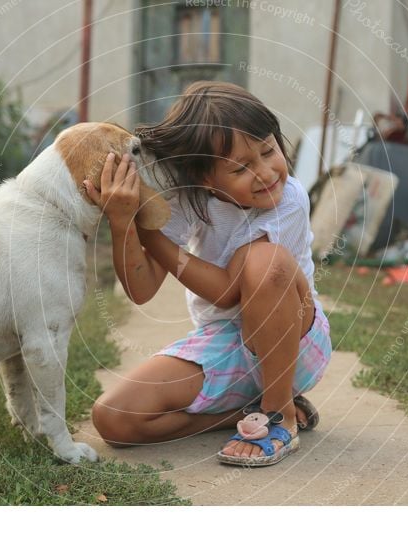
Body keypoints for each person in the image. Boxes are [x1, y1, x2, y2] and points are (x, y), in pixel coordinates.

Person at [85, 81, 331, 466]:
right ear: (206, 179)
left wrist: (148, 229)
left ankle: (279, 413)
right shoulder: (190, 201)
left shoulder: (289, 200)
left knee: (267, 262)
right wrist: (123, 223)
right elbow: (141, 288)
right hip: (225, 344)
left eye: (269, 151)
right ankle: (239, 414)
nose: (266, 172)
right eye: (241, 168)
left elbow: (228, 292)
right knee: (114, 419)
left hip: (295, 341)